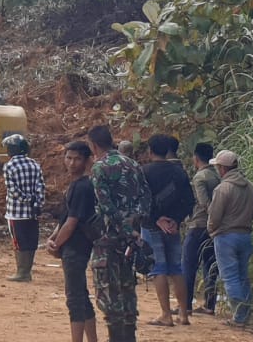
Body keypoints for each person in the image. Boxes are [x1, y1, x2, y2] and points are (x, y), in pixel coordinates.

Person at [87, 124, 151, 342]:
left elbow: (105, 206)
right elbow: (146, 198)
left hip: (108, 239)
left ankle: (116, 337)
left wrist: (124, 229)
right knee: (127, 286)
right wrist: (134, 227)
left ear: (93, 145)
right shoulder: (133, 164)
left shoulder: (99, 168)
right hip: (130, 240)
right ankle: (129, 336)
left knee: (108, 289)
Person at [140, 134, 196, 327]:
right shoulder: (179, 172)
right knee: (176, 268)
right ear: (169, 151)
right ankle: (183, 314)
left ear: (150, 151)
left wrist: (157, 219)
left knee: (158, 268)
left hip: (151, 226)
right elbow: (190, 201)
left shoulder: (144, 172)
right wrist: (175, 220)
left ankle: (165, 314)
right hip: (173, 227)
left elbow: (142, 201)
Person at [45, 141, 99, 342]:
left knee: (75, 299)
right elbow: (65, 218)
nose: (72, 162)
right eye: (68, 157)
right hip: (73, 245)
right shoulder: (76, 185)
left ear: (87, 161)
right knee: (81, 296)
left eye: (77, 159)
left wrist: (56, 245)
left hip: (76, 248)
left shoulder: (83, 186)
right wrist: (52, 238)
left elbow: (72, 222)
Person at [208, 149, 253, 327]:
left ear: (222, 168)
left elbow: (214, 217)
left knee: (229, 277)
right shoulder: (251, 187)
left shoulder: (223, 188)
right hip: (245, 235)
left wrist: (211, 230)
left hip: (226, 236)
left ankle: (238, 316)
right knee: (243, 276)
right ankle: (245, 315)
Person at [183, 142, 221, 316]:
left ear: (196, 158)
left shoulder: (200, 177)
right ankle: (209, 304)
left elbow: (204, 202)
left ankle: (186, 305)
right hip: (214, 228)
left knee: (188, 264)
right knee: (210, 265)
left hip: (199, 224)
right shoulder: (217, 175)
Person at [1, 134, 44, 282]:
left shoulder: (9, 166)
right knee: (31, 242)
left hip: (16, 212)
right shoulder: (35, 164)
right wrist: (36, 203)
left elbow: (12, 190)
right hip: (32, 212)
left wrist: (25, 199)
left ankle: (21, 272)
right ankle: (27, 271)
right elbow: (40, 187)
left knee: (18, 243)